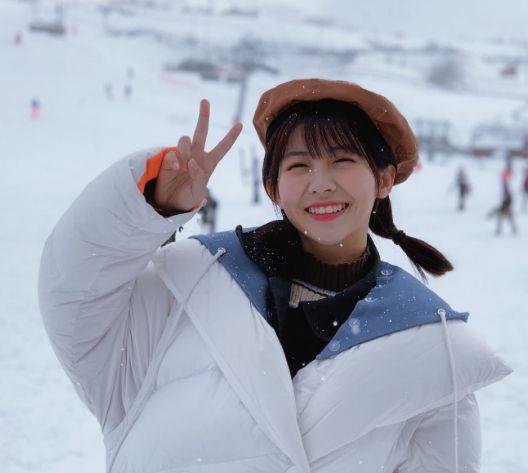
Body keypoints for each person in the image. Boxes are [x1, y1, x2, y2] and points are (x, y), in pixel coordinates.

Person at [39, 79, 512, 473]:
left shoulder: (435, 355)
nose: (321, 183)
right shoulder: (184, 287)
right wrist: (151, 205)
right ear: (273, 188)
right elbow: (75, 292)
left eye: (343, 160)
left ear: (384, 180)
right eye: (299, 165)